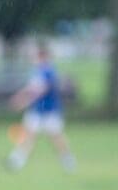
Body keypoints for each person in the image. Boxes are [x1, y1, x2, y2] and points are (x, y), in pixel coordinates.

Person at [4, 41, 74, 172]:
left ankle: (68, 161)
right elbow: (31, 88)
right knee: (28, 135)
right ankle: (17, 160)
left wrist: (23, 102)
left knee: (56, 137)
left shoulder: (48, 71)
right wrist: (19, 96)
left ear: (42, 56)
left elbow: (40, 90)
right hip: (37, 110)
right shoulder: (38, 71)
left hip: (49, 110)